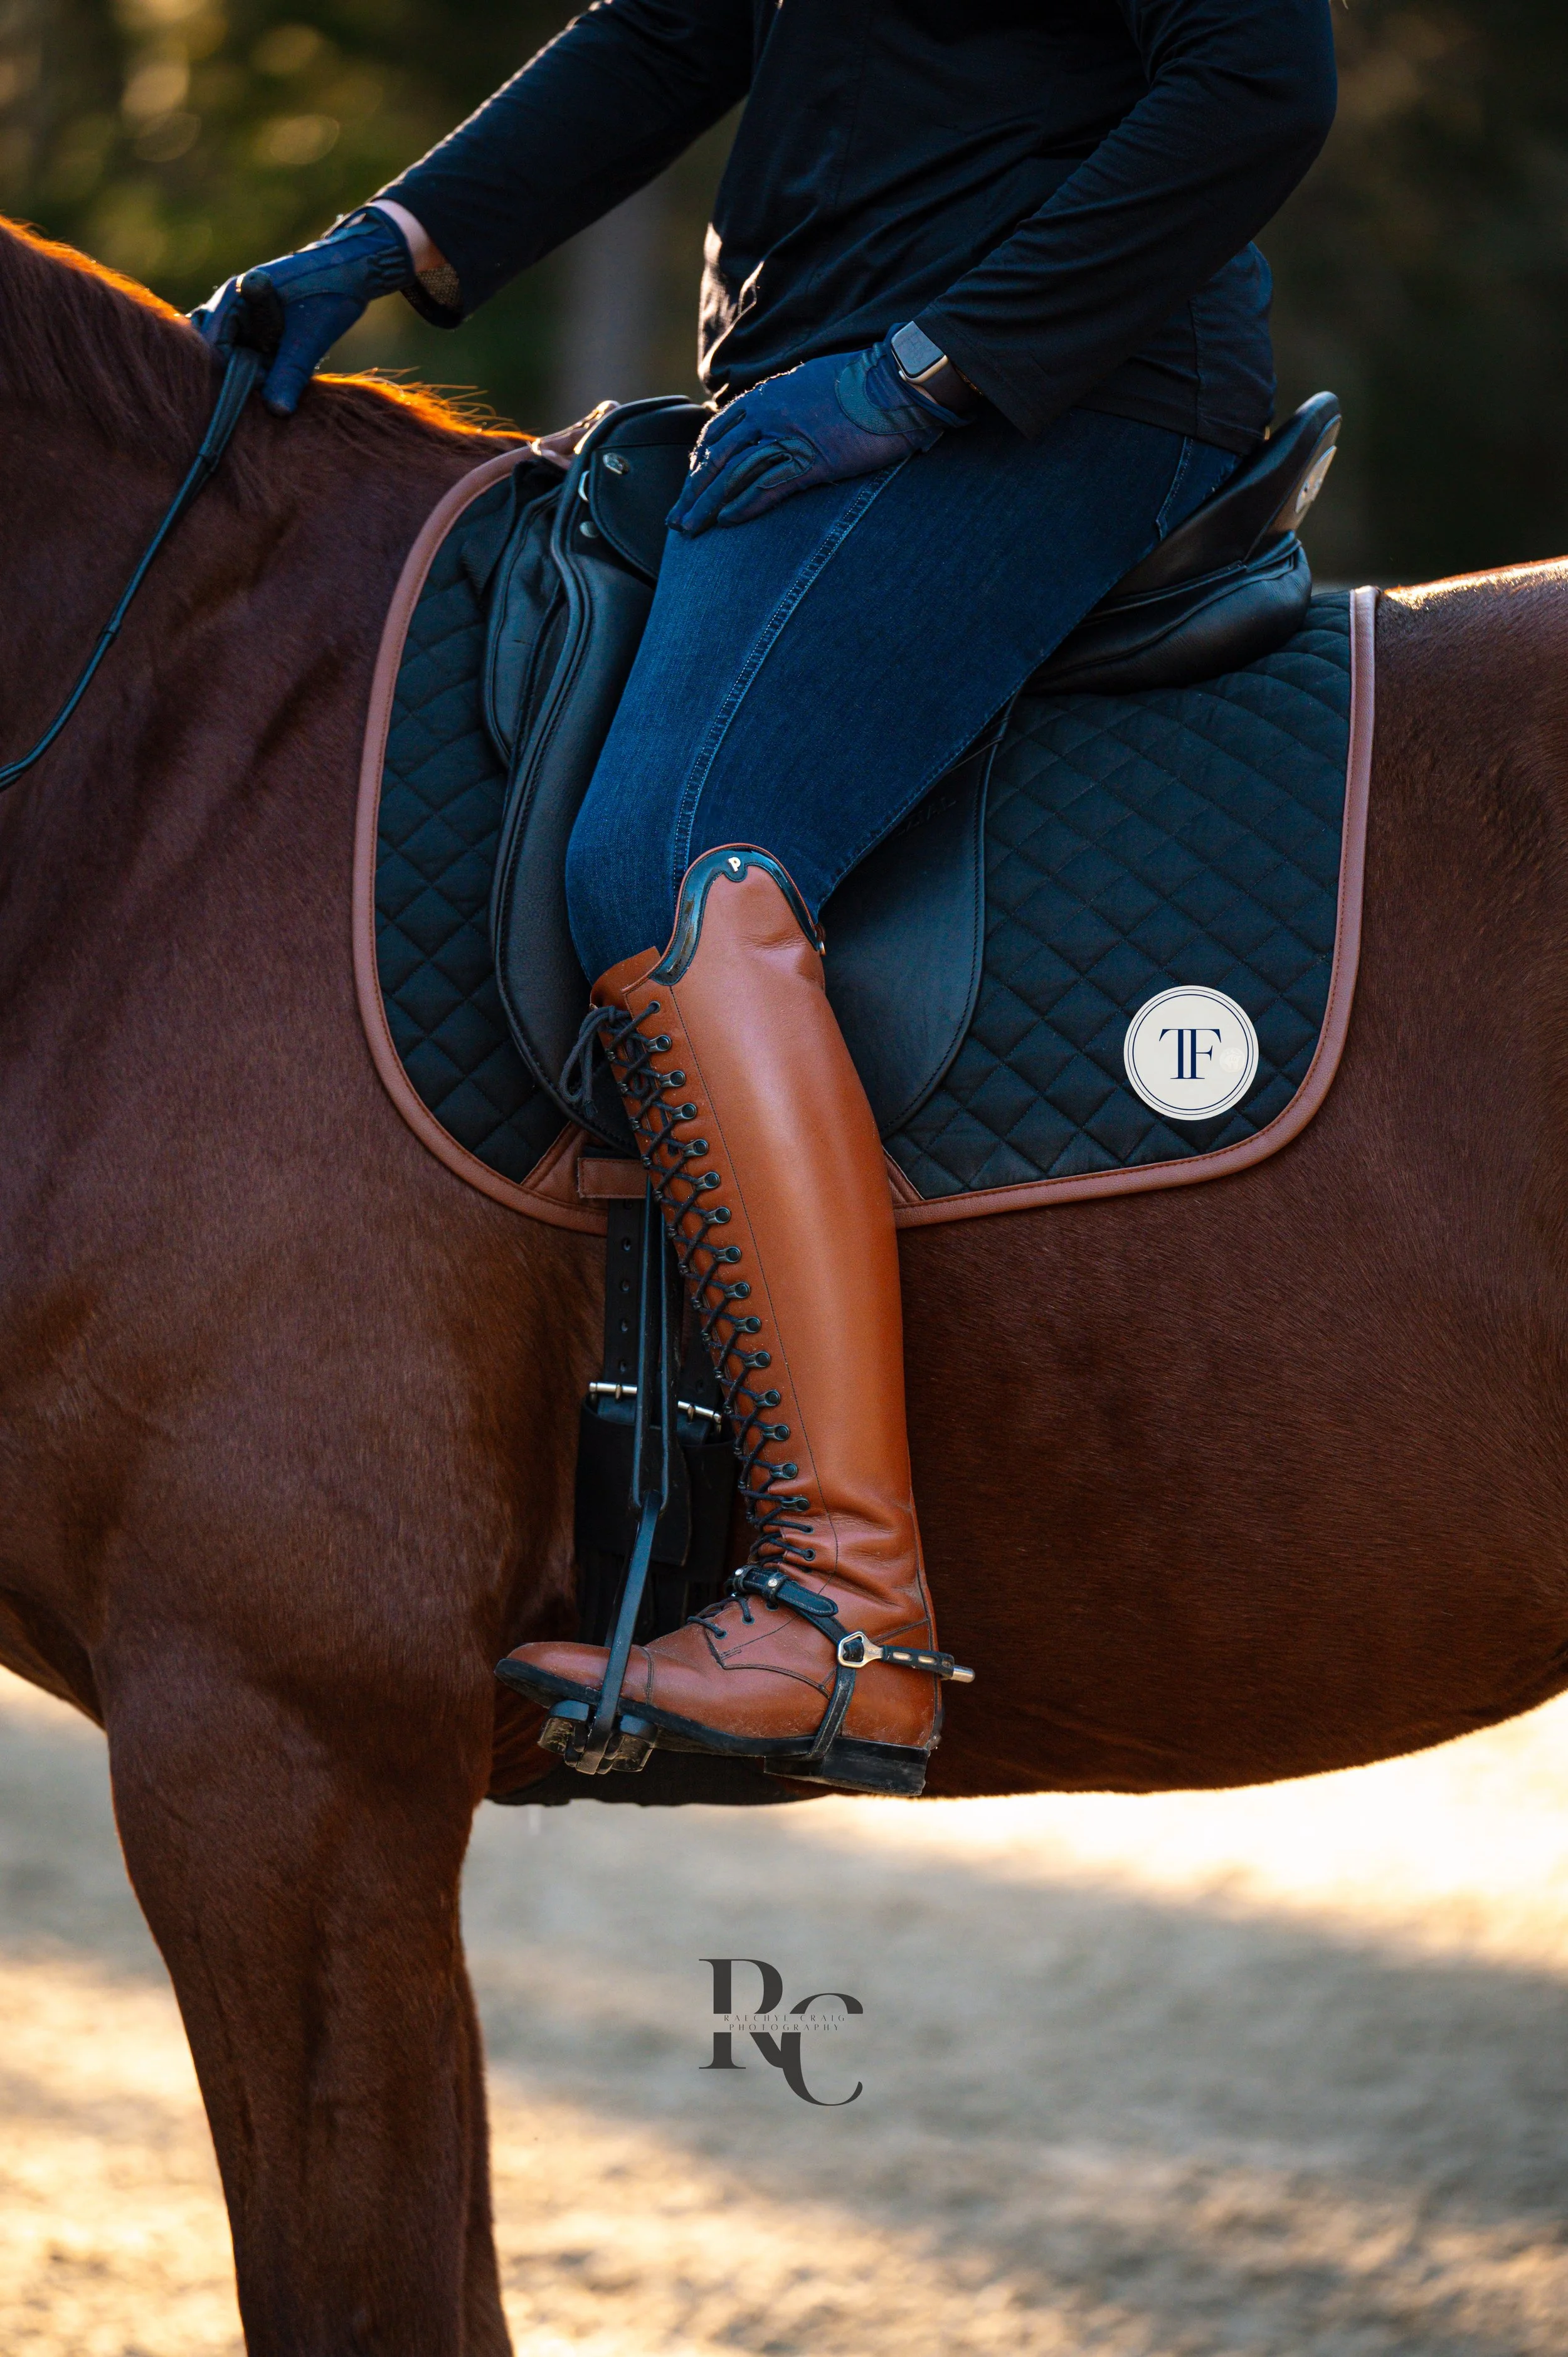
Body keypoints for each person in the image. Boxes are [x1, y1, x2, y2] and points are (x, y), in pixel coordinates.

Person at [196, 0, 1338, 1797]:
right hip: (815, 378)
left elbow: (1257, 80)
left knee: (668, 857)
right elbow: (672, 30)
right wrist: (386, 244)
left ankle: (845, 1611)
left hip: (1048, 389)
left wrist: (931, 370)